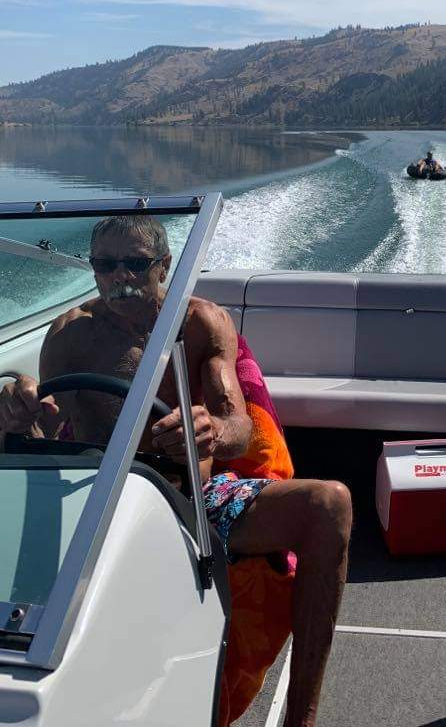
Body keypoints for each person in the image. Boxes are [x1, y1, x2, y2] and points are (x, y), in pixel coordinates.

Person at [0, 214, 351, 727]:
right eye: (105, 264)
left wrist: (210, 430)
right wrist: (17, 413)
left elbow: (239, 427)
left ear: (164, 266)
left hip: (194, 500)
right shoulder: (71, 335)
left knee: (329, 504)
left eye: (135, 263)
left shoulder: (199, 323)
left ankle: (301, 719)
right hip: (96, 501)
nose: (120, 276)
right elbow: (48, 439)